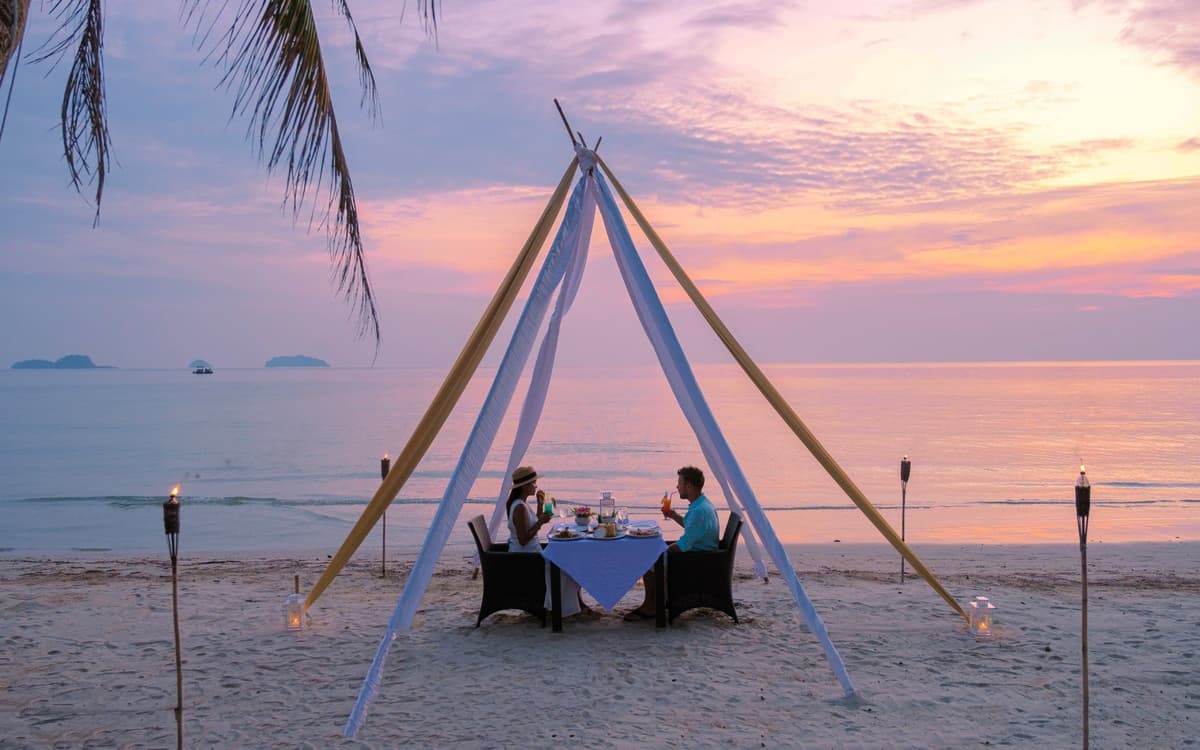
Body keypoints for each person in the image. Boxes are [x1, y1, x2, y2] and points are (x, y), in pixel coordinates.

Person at [623, 465, 719, 621]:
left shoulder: (699, 512)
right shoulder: (702, 504)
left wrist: (661, 551)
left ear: (688, 486)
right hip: (701, 553)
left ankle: (650, 606)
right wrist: (673, 515)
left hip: (696, 561)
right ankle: (654, 602)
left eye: (679, 483)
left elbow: (683, 545)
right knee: (653, 553)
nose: (677, 486)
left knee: (649, 558)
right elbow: (692, 530)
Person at [506, 465, 590, 617]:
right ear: (525, 486)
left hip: (531, 552)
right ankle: (570, 608)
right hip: (526, 558)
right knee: (568, 565)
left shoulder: (522, 503)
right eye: (533, 483)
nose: (536, 486)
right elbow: (523, 539)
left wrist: (539, 506)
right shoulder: (519, 508)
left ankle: (577, 605)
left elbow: (530, 526)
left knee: (569, 561)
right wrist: (540, 523)